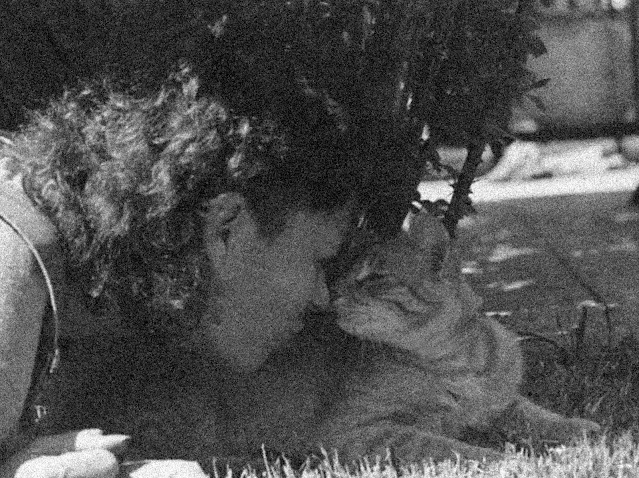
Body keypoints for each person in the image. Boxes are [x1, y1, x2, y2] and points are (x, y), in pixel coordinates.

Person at [0, 72, 418, 477]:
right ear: (226, 229)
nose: (322, 297)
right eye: (318, 261)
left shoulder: (117, 293)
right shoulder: (15, 254)